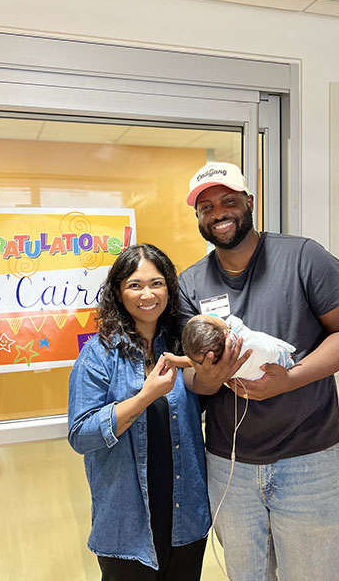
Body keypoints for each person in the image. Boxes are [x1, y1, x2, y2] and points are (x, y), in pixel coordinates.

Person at [178, 161, 339, 581]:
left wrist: (291, 380)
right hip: (230, 464)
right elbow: (192, 376)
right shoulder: (190, 285)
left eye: (228, 201)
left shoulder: (302, 256)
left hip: (309, 460)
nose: (218, 213)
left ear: (249, 202)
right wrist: (212, 377)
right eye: (206, 207)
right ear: (199, 217)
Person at [68, 243, 210, 581]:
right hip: (126, 522)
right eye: (135, 284)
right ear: (118, 292)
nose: (147, 294)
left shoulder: (180, 345)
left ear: (169, 288)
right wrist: (145, 396)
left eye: (156, 283)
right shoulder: (99, 353)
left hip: (185, 514)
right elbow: (81, 435)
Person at [164, 313, 295, 380]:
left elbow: (190, 362)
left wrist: (174, 359)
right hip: (278, 357)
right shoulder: (235, 331)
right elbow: (225, 322)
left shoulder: (216, 360)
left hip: (266, 367)